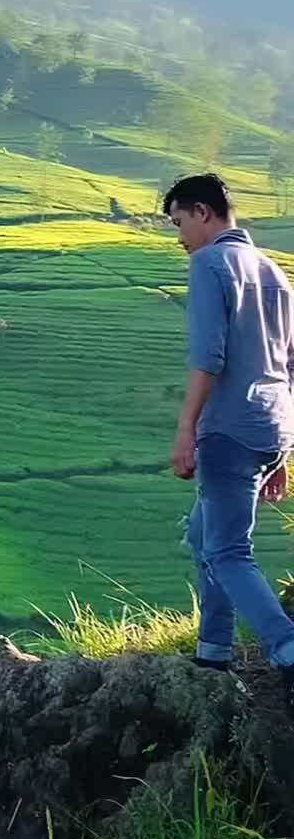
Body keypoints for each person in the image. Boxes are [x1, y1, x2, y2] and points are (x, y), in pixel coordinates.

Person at [165, 173, 294, 710]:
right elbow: (290, 366)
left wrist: (186, 428)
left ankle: (287, 651)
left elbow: (208, 357)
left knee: (227, 550)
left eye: (178, 223)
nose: (179, 237)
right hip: (272, 426)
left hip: (229, 427)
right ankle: (213, 651)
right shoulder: (274, 272)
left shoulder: (210, 265)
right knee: (203, 538)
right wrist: (284, 453)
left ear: (202, 212)